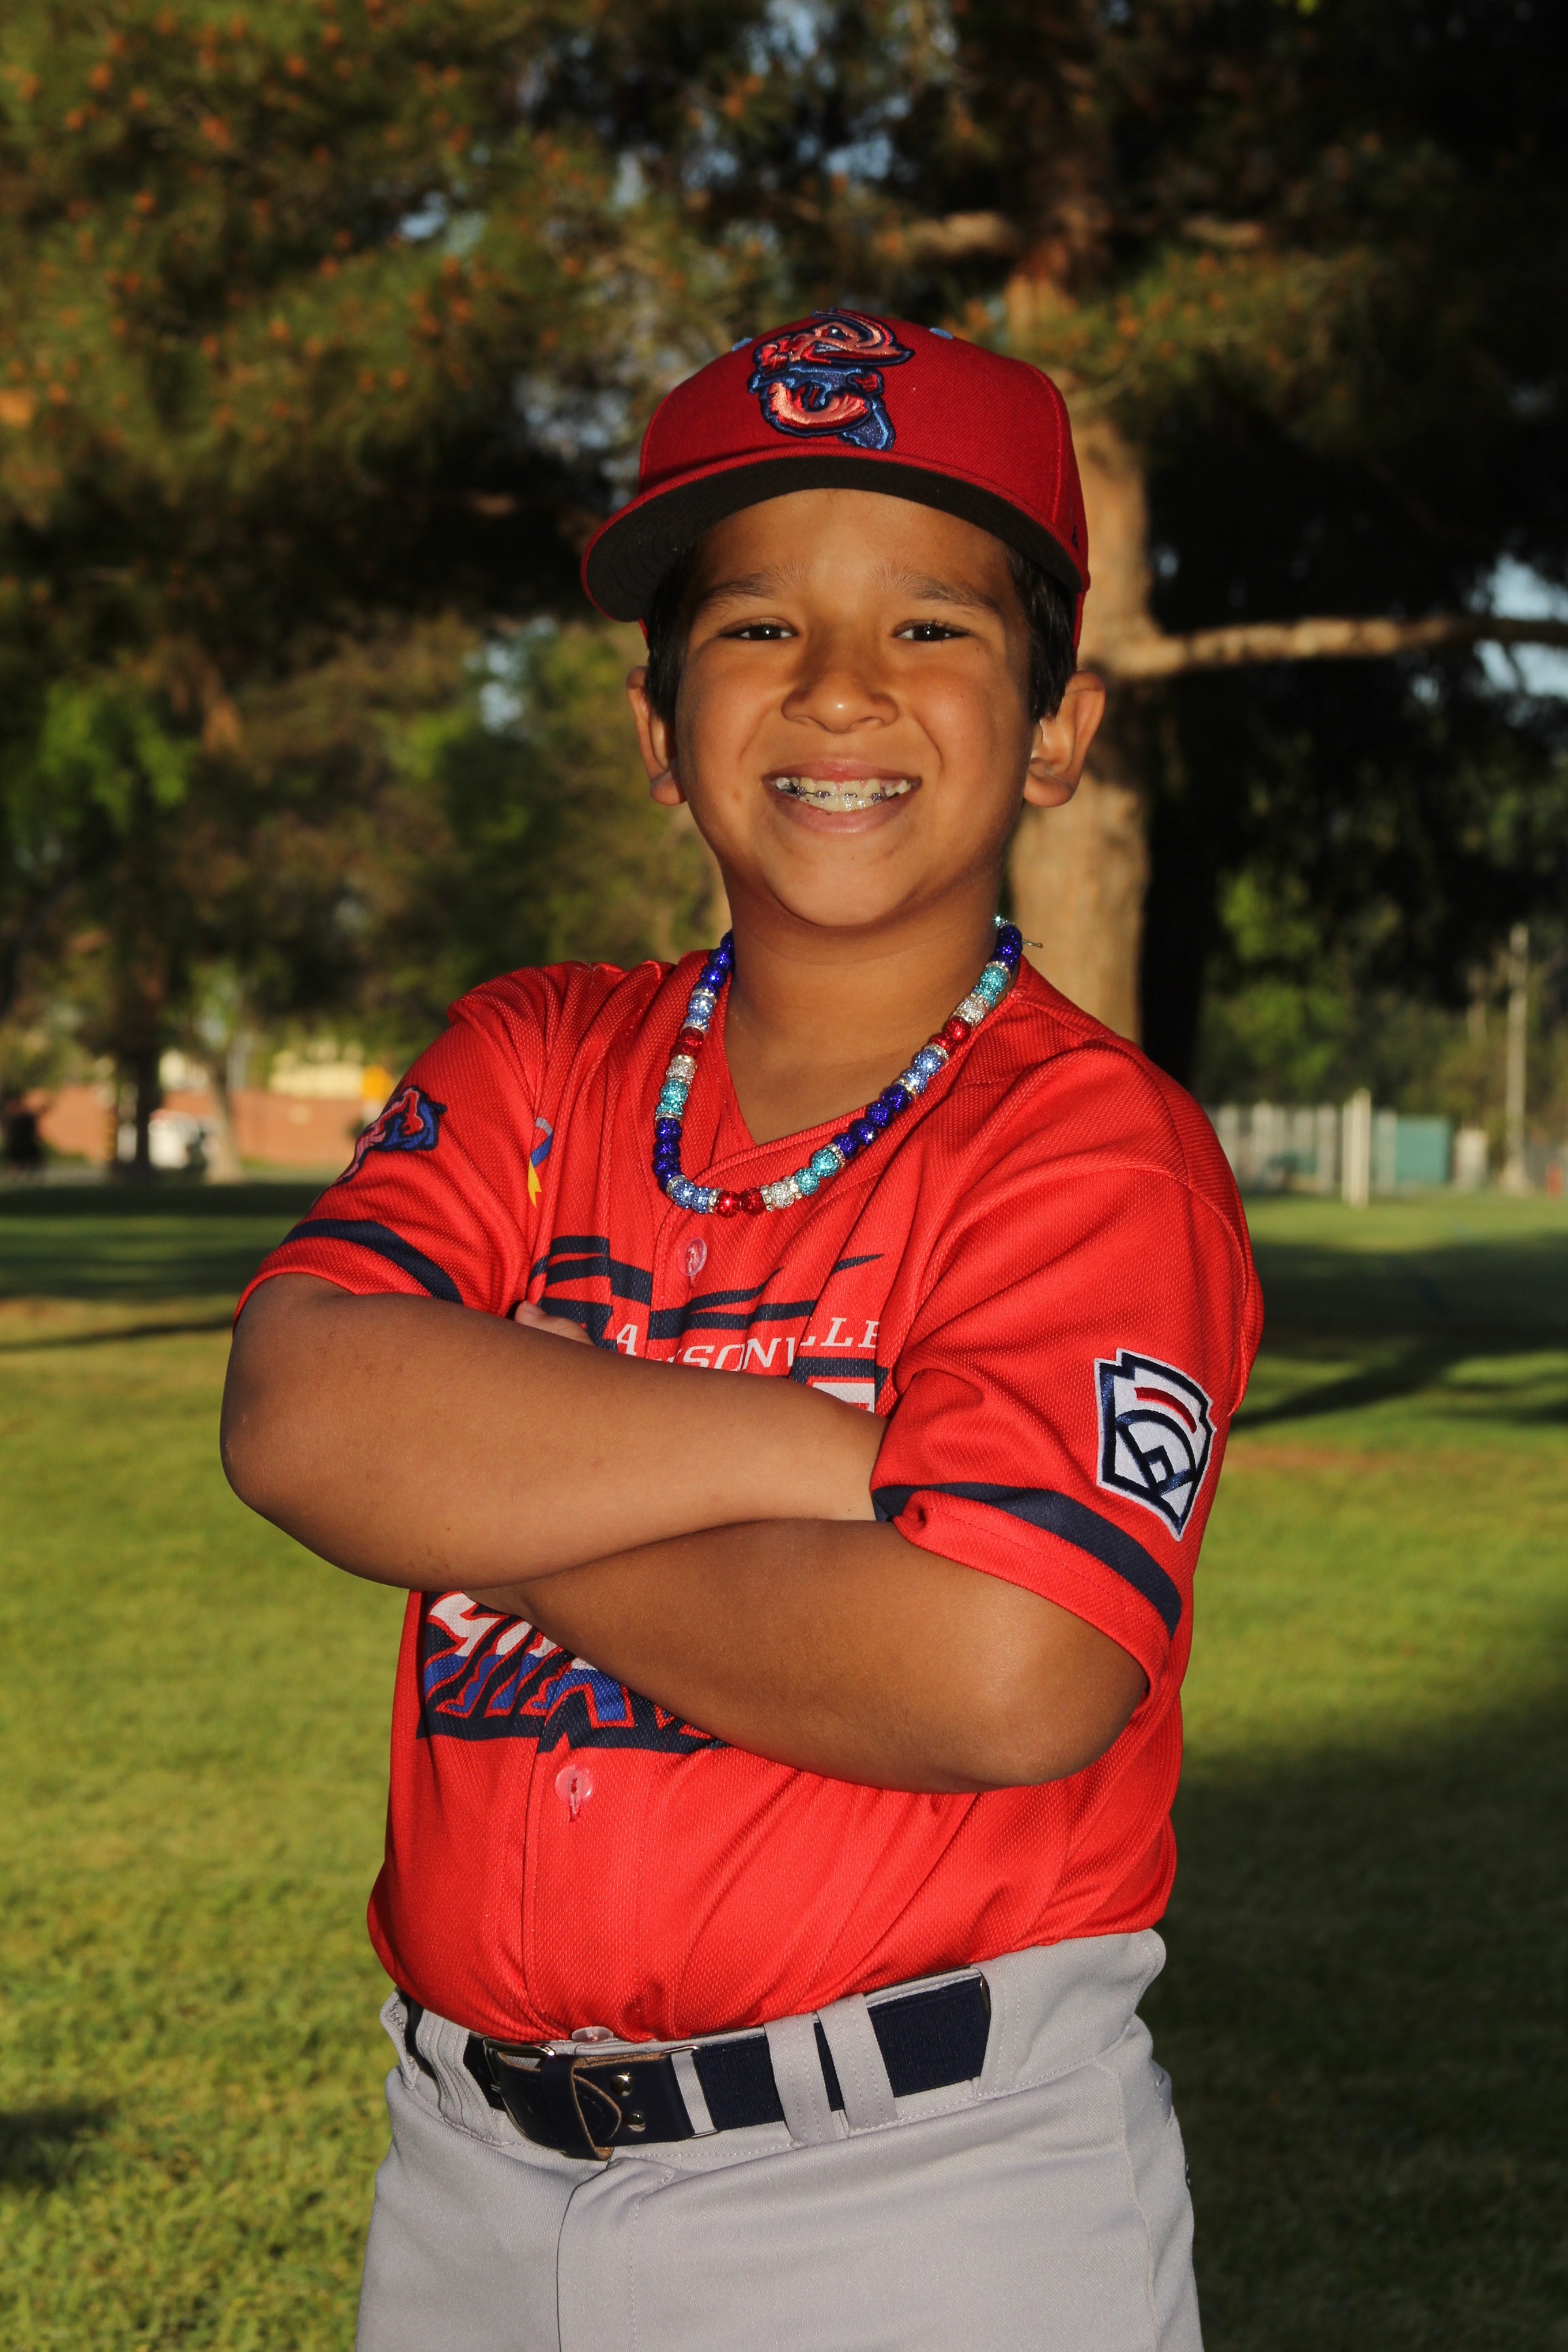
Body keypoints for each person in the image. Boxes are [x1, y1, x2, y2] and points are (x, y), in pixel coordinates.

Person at [222, 312, 1261, 2352]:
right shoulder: (535, 1055)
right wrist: (830, 1460)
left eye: (934, 628)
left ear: (1060, 729)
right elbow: (302, 1408)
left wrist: (487, 1498)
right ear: (655, 725)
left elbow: (1007, 1666)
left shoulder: (1091, 1149)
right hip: (468, 2177)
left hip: (925, 2189)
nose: (841, 687)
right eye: (759, 626)